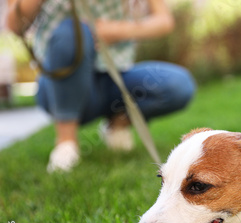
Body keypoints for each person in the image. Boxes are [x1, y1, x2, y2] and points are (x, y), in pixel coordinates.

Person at [6, 0, 196, 172]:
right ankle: (65, 143)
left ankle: (117, 122)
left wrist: (117, 31)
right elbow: (13, 26)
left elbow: (164, 20)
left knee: (178, 84)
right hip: (59, 87)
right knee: (72, 30)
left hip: (115, 78)